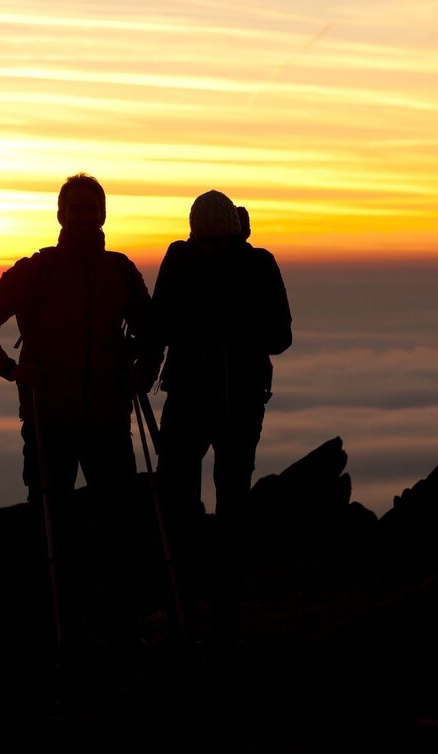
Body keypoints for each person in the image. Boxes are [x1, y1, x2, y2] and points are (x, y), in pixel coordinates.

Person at [0, 173, 159, 645]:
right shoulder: (38, 270)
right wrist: (11, 369)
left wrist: (144, 372)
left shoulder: (120, 270)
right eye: (77, 209)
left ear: (103, 215)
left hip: (107, 418)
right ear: (61, 215)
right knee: (53, 529)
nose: (85, 216)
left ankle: (113, 627)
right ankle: (59, 625)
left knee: (117, 527)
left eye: (92, 209)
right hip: (50, 421)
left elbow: (152, 332)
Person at [148, 189, 292, 642]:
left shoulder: (258, 264)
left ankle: (223, 615)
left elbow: (280, 336)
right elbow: (160, 325)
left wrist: (235, 312)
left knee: (231, 502)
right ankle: (184, 606)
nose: (209, 248)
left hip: (237, 399)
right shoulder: (181, 259)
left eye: (217, 241)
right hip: (197, 397)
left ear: (233, 233)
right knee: (178, 499)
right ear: (193, 234)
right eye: (202, 240)